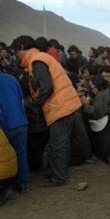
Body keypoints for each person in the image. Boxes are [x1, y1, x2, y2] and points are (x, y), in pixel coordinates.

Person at [12, 36, 82, 187]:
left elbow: (47, 88)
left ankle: (59, 178)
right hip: (67, 104)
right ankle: (58, 172)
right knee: (61, 143)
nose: (17, 55)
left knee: (57, 144)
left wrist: (30, 102)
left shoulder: (36, 61)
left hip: (59, 106)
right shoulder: (41, 58)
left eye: (17, 51)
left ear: (22, 47)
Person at [0, 70, 29, 191]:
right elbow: (21, 100)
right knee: (21, 155)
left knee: (4, 159)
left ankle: (6, 186)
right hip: (21, 122)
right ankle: (23, 183)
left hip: (5, 125)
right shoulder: (12, 78)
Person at [81, 76, 110, 162]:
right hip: (108, 123)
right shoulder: (102, 94)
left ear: (97, 86)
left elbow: (95, 113)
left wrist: (85, 104)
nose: (91, 87)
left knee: (105, 152)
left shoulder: (102, 96)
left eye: (92, 85)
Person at [0, 127, 17, 206]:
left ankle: (2, 194)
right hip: (12, 173)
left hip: (2, 177)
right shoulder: (0, 130)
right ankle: (5, 189)